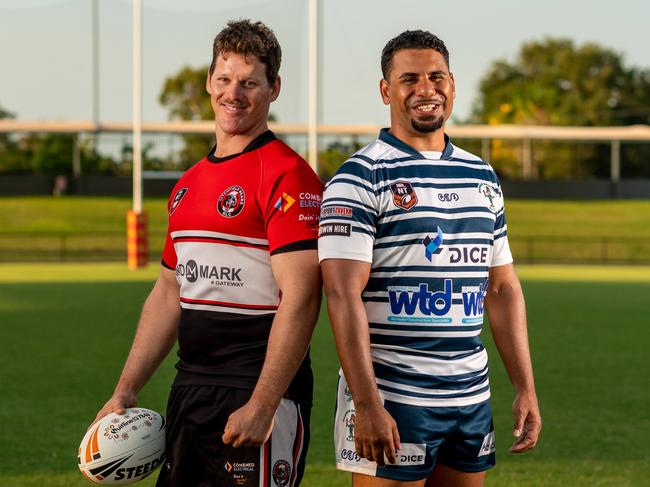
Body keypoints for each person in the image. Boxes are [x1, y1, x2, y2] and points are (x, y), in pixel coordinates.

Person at [94, 20, 323, 487]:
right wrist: (125, 391)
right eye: (224, 79)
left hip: (257, 392)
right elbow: (167, 292)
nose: (233, 93)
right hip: (190, 390)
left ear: (274, 88)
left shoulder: (287, 177)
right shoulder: (188, 184)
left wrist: (262, 404)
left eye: (249, 82)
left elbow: (301, 297)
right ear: (208, 81)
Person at [318, 30, 541, 486]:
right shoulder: (360, 177)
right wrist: (366, 404)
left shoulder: (481, 175)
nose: (426, 89)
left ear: (453, 85)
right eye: (409, 79)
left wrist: (525, 387)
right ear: (386, 90)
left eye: (436, 76)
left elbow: (502, 288)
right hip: (394, 397)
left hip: (469, 396)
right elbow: (342, 295)